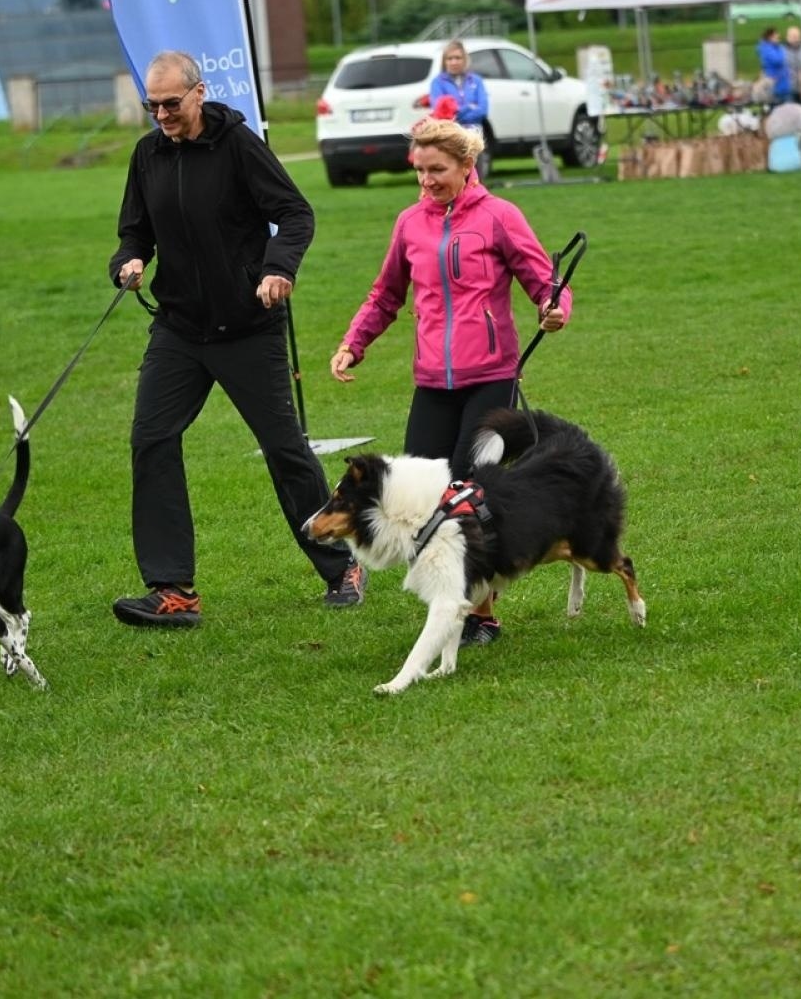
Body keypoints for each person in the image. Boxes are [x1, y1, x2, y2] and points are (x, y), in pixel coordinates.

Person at [107, 50, 366, 627]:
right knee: (151, 440)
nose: (162, 116)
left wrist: (278, 269)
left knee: (284, 449)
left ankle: (341, 564)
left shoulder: (239, 146)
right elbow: (134, 232)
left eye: (171, 104)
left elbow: (295, 213)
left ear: (198, 93)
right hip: (178, 329)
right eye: (152, 106)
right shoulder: (147, 155)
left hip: (248, 326)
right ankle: (173, 590)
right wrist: (128, 261)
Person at [328, 119, 570, 646]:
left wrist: (554, 309)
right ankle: (449, 601)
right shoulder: (409, 223)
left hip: (492, 376)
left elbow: (544, 281)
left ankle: (481, 615)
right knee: (421, 494)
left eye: (436, 170)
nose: (426, 181)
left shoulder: (500, 216)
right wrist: (353, 343)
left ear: (467, 166)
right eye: (419, 170)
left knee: (468, 494)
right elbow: (385, 295)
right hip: (432, 381)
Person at [429, 41, 488, 133]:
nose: (454, 62)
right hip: (450, 133)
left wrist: (456, 113)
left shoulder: (476, 80)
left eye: (458, 58)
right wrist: (469, 107)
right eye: (449, 58)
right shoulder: (437, 82)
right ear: (444, 61)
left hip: (474, 133)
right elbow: (441, 112)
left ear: (464, 59)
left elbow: (483, 110)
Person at [757, 27, 792, 106]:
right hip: (774, 84)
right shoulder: (766, 49)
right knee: (776, 107)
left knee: (788, 106)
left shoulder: (778, 48)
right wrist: (782, 52)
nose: (778, 37)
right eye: (776, 36)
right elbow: (778, 60)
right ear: (770, 37)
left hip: (784, 83)